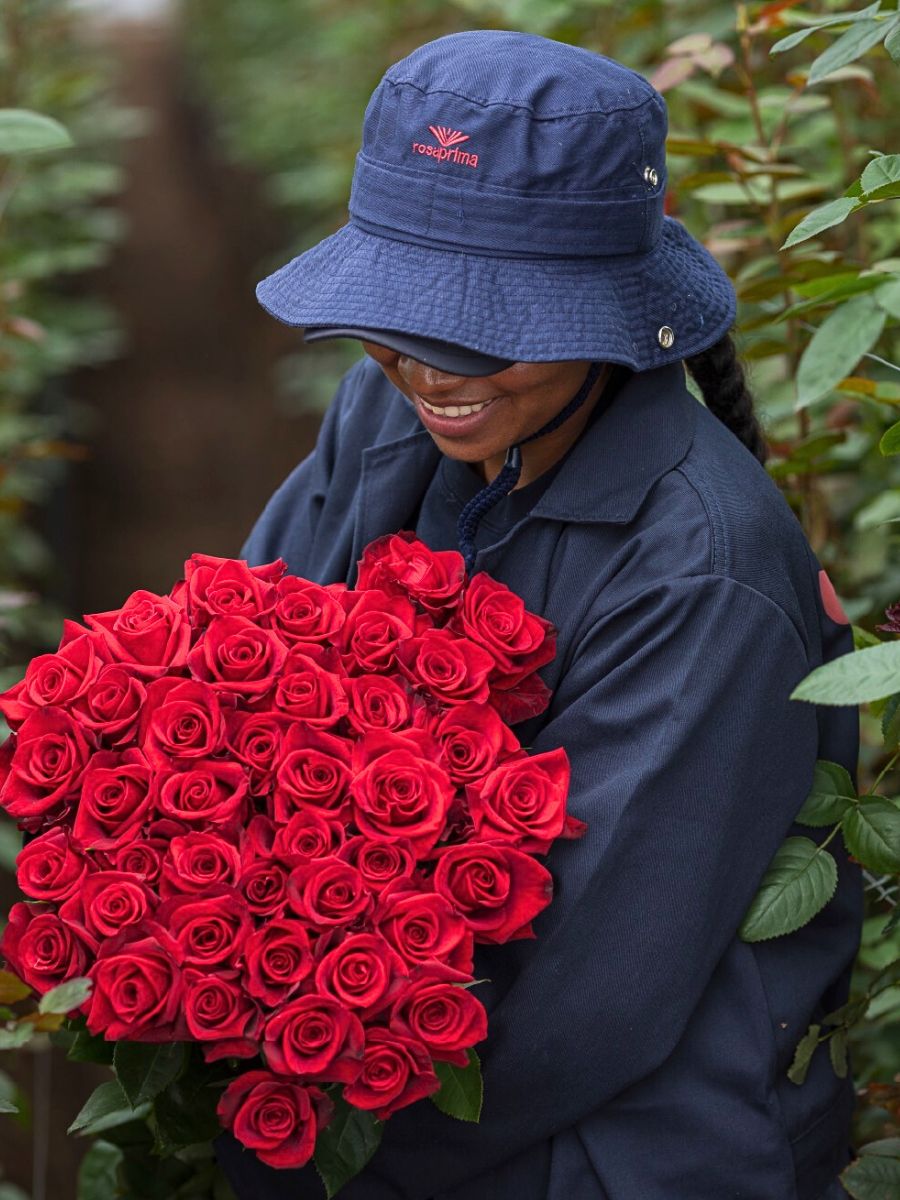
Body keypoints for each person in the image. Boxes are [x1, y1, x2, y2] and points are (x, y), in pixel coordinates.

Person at [214, 28, 862, 1200]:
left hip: (607, 1143)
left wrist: (304, 1144)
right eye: (402, 327)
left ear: (608, 314)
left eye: (485, 337)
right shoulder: (390, 409)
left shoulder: (700, 570)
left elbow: (593, 1001)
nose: (428, 376)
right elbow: (237, 663)